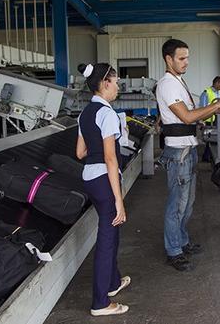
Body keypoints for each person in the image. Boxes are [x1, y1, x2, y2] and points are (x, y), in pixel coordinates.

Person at [156, 39, 220, 271]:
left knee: (188, 202)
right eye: (181, 58)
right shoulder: (167, 84)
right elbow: (187, 117)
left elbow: (193, 115)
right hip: (178, 152)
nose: (186, 63)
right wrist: (217, 104)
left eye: (187, 58)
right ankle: (173, 251)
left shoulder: (178, 82)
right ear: (168, 59)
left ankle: (181, 241)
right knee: (177, 204)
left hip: (189, 147)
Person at [76, 62, 130, 316]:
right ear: (105, 83)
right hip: (104, 179)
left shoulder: (85, 113)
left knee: (112, 231)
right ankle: (100, 303)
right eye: (116, 82)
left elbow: (80, 152)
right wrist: (119, 199)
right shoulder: (107, 114)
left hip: (89, 177)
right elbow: (111, 159)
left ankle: (113, 283)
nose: (118, 87)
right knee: (107, 241)